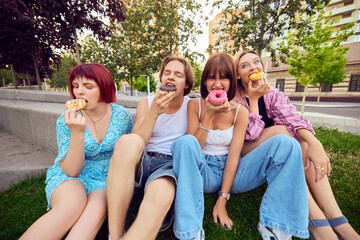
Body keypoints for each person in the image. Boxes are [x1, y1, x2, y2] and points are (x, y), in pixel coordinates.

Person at [171, 52, 309, 240]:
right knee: (184, 143)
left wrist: (222, 199)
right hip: (203, 173)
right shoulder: (195, 105)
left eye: (224, 77)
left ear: (231, 82)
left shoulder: (240, 112)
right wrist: (210, 115)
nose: (217, 83)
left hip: (235, 174)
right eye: (212, 77)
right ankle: (191, 232)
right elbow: (193, 148)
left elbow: (235, 156)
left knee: (287, 144)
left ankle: (274, 228)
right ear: (204, 81)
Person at [234, 50, 360, 240]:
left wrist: (314, 142)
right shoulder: (234, 99)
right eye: (245, 66)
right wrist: (253, 100)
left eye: (256, 62)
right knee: (284, 132)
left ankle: (336, 217)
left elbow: (293, 118)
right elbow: (250, 136)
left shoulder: (273, 94)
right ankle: (314, 218)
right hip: (246, 154)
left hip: (279, 149)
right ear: (237, 74)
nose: (253, 67)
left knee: (302, 141)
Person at [19, 63, 133, 240]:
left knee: (94, 212)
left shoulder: (122, 116)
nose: (79, 92)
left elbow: (128, 152)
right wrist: (77, 133)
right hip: (70, 176)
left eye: (88, 87)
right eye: (75, 86)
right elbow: (72, 170)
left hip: (104, 179)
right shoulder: (65, 121)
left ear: (105, 88)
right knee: (71, 205)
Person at [106, 55, 195, 240]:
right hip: (143, 161)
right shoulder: (146, 103)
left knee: (161, 192)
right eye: (167, 73)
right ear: (161, 78)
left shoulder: (192, 105)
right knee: (127, 141)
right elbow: (138, 142)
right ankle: (114, 235)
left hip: (169, 166)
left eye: (178, 74)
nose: (170, 77)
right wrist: (154, 112)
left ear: (186, 83)